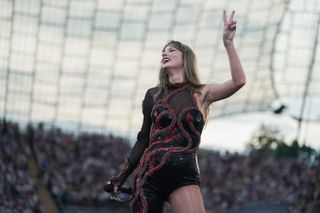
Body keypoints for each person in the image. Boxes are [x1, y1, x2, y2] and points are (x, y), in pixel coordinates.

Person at [104, 10, 246, 213]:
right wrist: (120, 177)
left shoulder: (201, 93)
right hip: (149, 175)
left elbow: (239, 81)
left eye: (171, 50)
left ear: (185, 58)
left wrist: (228, 43)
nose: (165, 53)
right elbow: (143, 139)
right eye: (163, 51)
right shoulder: (153, 95)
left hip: (184, 175)